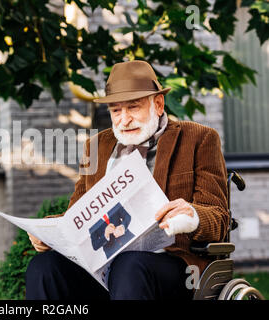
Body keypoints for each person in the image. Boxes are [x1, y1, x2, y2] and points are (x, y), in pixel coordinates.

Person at [25, 60, 229, 300]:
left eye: (133, 107)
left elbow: (218, 218)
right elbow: (77, 215)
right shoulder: (97, 146)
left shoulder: (199, 139)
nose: (124, 119)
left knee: (128, 265)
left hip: (173, 266)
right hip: (103, 267)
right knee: (44, 267)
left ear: (158, 104)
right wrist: (49, 232)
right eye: (116, 110)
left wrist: (192, 215)